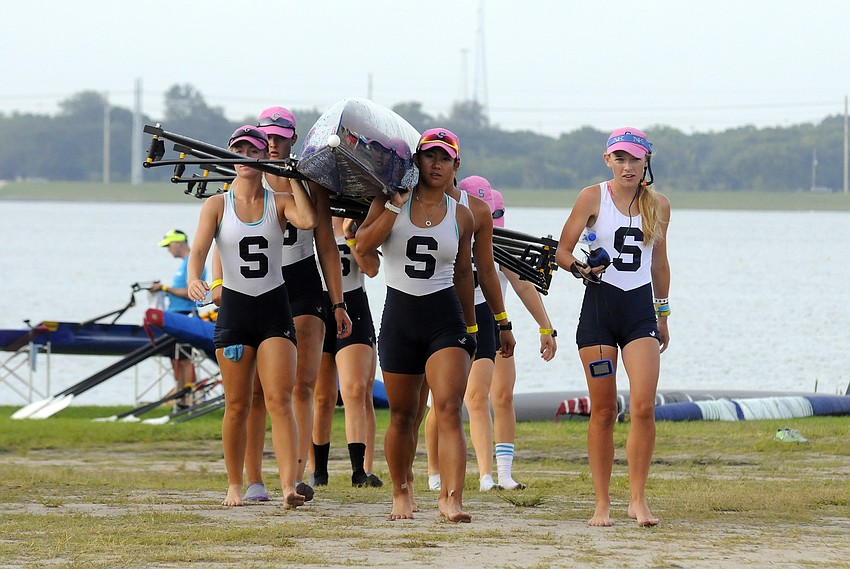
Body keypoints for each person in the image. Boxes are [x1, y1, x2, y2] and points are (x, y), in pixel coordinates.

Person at [186, 125, 317, 508]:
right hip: (235, 311)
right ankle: (234, 484)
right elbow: (198, 250)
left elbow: (307, 220)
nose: (246, 155)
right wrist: (196, 279)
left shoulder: (278, 201)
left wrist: (293, 180)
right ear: (231, 157)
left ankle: (290, 485)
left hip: (275, 308)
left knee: (280, 398)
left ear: (264, 158)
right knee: (238, 404)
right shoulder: (216, 204)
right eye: (238, 149)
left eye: (254, 150)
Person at [355, 128, 476, 522]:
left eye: (445, 158)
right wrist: (392, 206)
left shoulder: (462, 215)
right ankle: (400, 491)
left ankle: (451, 499)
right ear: (417, 161)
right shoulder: (389, 200)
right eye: (430, 156)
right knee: (404, 415)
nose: (436, 164)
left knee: (448, 408)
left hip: (445, 319)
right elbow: (363, 247)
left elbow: (463, 275)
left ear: (456, 166)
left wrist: (472, 330)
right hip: (400, 317)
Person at [555, 127, 670, 527]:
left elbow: (658, 264)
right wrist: (580, 269)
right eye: (620, 158)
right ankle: (601, 503)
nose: (627, 166)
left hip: (640, 314)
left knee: (642, 405)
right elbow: (561, 251)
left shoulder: (659, 205)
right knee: (603, 410)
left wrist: (663, 314)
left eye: (635, 159)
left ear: (646, 162)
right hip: (599, 314)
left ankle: (637, 500)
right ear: (608, 160)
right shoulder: (592, 196)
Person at [240, 106, 352, 503]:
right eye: (266, 136)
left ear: (292, 138)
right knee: (256, 392)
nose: (272, 143)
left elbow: (325, 243)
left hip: (303, 285)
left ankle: (297, 474)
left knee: (302, 386)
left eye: (280, 136)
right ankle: (253, 478)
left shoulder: (309, 179)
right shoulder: (246, 174)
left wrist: (338, 302)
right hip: (259, 287)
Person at [421, 174, 516, 493]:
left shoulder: (492, 238)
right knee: (442, 400)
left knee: (478, 397)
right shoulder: (451, 223)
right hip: (448, 314)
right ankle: (434, 472)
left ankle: (489, 475)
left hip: (486, 317)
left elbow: (519, 285)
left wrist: (538, 326)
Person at [310, 216, 383, 488]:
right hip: (317, 307)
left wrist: (352, 237)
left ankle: (360, 471)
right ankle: (318, 472)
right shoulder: (309, 221)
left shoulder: (357, 223)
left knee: (356, 390)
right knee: (321, 396)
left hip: (353, 305)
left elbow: (372, 269)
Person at [150, 229, 206, 410]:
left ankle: (188, 398)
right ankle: (181, 398)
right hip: (174, 316)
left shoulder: (193, 262)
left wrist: (165, 288)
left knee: (184, 360)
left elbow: (194, 294)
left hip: (185, 317)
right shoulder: (185, 264)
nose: (168, 250)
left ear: (178, 243)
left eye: (168, 246)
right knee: (176, 359)